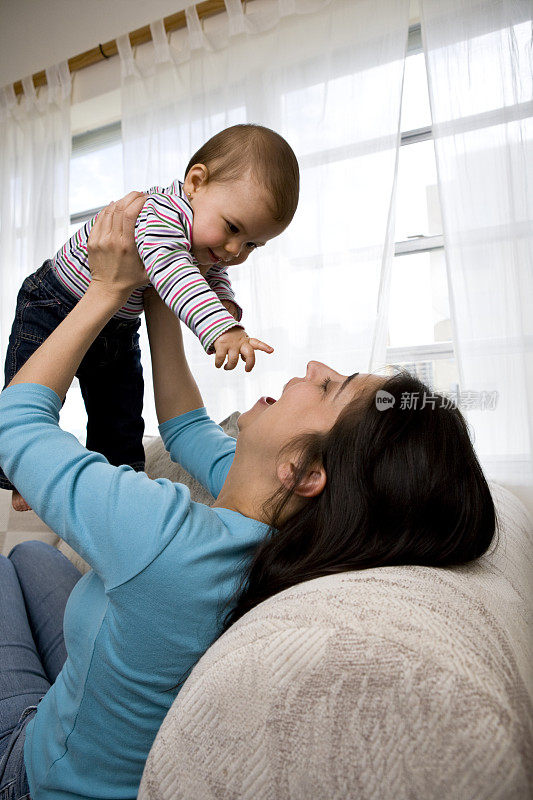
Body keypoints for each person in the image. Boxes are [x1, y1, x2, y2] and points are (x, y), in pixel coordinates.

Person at [0, 195, 496, 800]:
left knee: (5, 569)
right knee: (29, 558)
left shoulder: (166, 541)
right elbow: (185, 428)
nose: (312, 366)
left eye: (329, 386)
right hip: (85, 695)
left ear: (304, 470)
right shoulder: (287, 523)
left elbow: (17, 426)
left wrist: (104, 292)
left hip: (38, 776)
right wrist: (159, 296)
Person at [1, 123, 299, 511]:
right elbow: (174, 270)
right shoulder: (162, 212)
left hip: (119, 328)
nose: (233, 249)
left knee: (122, 414)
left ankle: (123, 484)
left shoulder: (205, 244)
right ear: (195, 182)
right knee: (30, 390)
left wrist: (226, 309)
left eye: (251, 245)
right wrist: (220, 327)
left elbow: (209, 276)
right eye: (232, 228)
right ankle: (21, 472)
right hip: (54, 302)